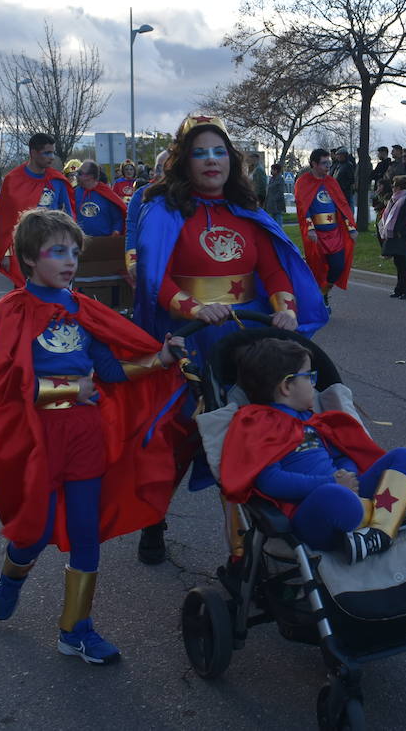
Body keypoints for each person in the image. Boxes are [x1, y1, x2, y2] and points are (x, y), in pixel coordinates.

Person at [0, 209, 184, 664]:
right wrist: (72, 389)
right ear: (30, 258)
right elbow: (13, 389)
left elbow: (109, 370)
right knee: (34, 531)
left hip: (85, 435)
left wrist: (161, 361)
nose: (70, 260)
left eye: (74, 251)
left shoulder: (85, 310)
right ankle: (11, 577)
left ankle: (75, 629)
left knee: (86, 532)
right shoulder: (11, 312)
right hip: (38, 438)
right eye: (57, 252)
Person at [131, 116, 324, 563]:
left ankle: (242, 553)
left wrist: (286, 307)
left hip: (243, 340)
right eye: (200, 152)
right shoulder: (164, 210)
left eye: (219, 151)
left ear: (231, 160)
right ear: (184, 161)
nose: (211, 160)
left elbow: (273, 270)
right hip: (189, 342)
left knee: (247, 437)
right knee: (175, 440)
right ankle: (153, 520)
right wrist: (193, 308)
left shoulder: (248, 210)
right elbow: (152, 277)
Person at [219, 338, 406, 563]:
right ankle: (395, 516)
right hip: (312, 511)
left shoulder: (310, 419)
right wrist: (330, 482)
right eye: (309, 377)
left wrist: (348, 474)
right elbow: (270, 480)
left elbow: (340, 455)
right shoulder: (260, 423)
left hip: (346, 490)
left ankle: (378, 533)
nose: (314, 384)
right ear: (286, 386)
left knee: (403, 457)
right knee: (336, 497)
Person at [0, 133, 75, 287]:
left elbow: (69, 216)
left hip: (53, 247)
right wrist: (5, 253)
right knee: (25, 295)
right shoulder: (13, 180)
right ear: (33, 153)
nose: (51, 157)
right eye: (47, 153)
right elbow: (4, 220)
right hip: (24, 248)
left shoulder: (57, 180)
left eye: (53, 152)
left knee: (55, 297)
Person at [294, 148, 358, 307]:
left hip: (335, 233)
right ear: (314, 164)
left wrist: (351, 228)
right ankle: (316, 297)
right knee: (316, 268)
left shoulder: (331, 182)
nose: (328, 166)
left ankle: (323, 292)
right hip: (317, 235)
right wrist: (310, 229)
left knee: (338, 266)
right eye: (324, 163)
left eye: (329, 162)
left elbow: (342, 206)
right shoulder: (303, 182)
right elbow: (303, 207)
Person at [378, 174, 406, 299]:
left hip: (403, 236)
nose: (392, 188)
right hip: (396, 236)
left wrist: (399, 230)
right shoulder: (395, 200)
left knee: (404, 265)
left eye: (394, 185)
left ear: (400, 187)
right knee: (398, 263)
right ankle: (399, 288)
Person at [72, 161, 126, 237]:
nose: (76, 176)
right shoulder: (74, 193)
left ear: (90, 176)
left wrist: (116, 232)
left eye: (80, 173)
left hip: (104, 242)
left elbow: (118, 219)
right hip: (81, 242)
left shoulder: (106, 193)